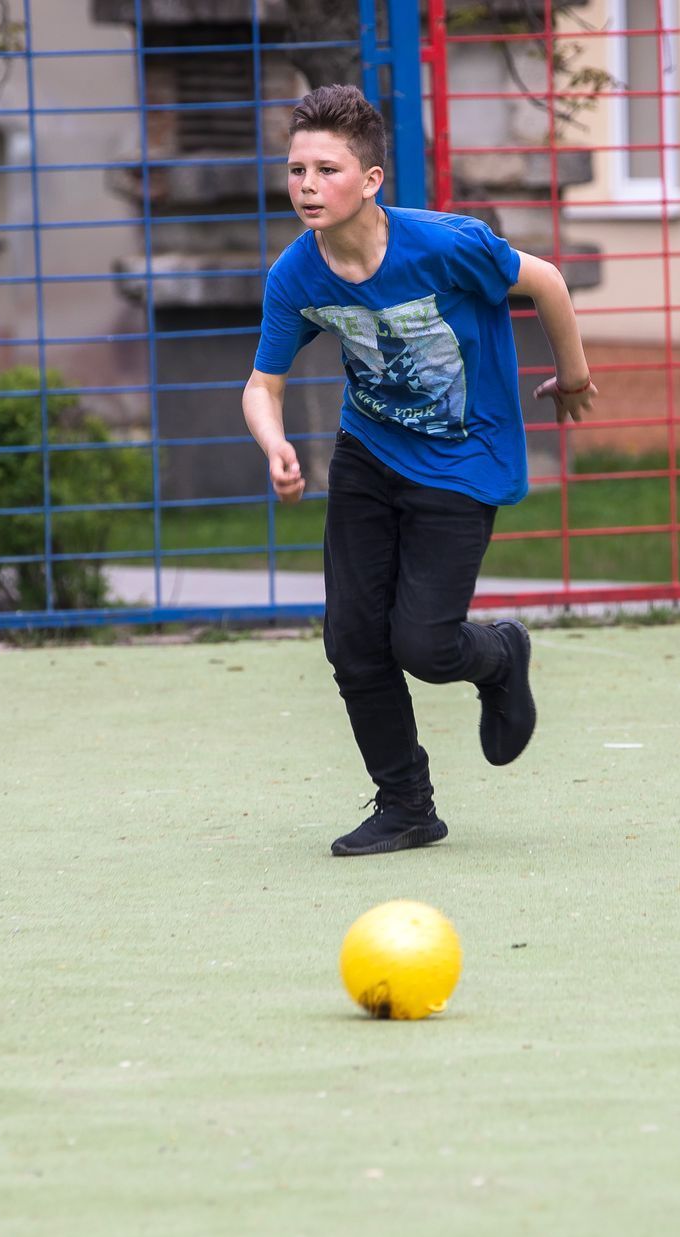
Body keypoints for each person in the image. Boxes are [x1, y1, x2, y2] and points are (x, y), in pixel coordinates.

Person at [243, 85, 594, 857]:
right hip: (369, 454)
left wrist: (571, 376)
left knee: (426, 646)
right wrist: (274, 442)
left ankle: (500, 655)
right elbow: (262, 384)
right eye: (296, 169)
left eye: (326, 170)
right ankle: (406, 805)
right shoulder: (297, 276)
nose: (306, 185)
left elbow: (547, 283)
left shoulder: (448, 245)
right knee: (353, 642)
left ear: (370, 181)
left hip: (463, 457)